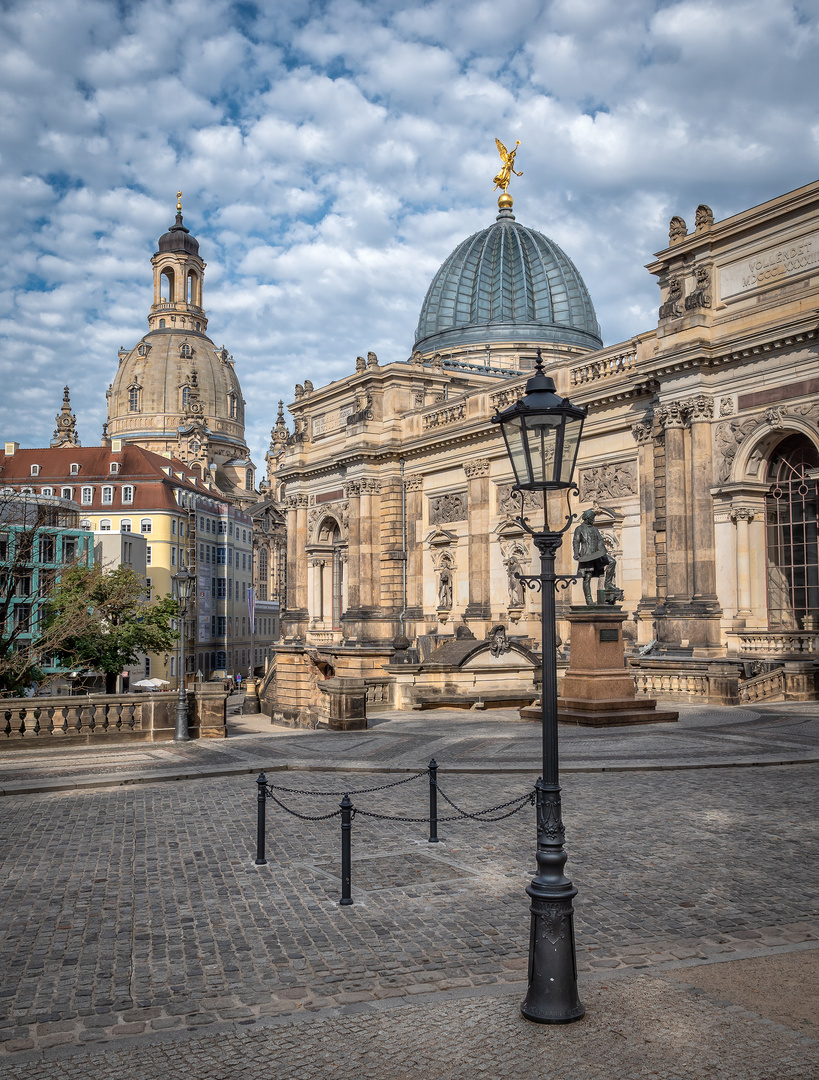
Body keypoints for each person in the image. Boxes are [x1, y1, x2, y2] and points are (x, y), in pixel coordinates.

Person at [572, 509, 620, 606]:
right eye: (592, 518)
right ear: (587, 518)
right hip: (587, 554)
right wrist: (576, 553)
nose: (593, 520)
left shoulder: (594, 529)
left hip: (597, 554)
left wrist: (600, 547)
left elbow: (600, 539)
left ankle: (608, 584)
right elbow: (576, 542)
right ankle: (589, 599)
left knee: (612, 562)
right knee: (587, 577)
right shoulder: (579, 529)